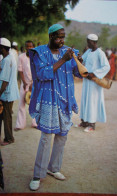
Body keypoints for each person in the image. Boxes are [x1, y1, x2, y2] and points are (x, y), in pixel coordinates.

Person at [28, 24, 82, 191]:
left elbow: (79, 73)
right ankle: (38, 175)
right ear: (50, 36)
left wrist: (79, 62)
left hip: (65, 99)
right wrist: (63, 60)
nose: (62, 40)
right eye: (59, 37)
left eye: (63, 37)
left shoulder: (68, 52)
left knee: (62, 136)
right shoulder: (39, 53)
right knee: (46, 137)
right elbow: (42, 74)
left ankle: (54, 168)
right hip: (48, 99)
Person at [78, 34, 110, 132]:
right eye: (87, 41)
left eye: (89, 42)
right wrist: (79, 59)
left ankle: (92, 124)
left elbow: (106, 66)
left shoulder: (100, 53)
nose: (87, 43)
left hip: (94, 82)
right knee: (85, 100)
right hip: (86, 80)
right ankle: (84, 122)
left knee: (92, 101)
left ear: (94, 42)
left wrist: (94, 74)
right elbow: (82, 60)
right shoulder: (88, 51)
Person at [0, 38, 19, 146]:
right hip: (10, 93)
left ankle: (9, 139)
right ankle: (8, 137)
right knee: (6, 116)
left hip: (6, 93)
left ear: (2, 48)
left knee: (6, 117)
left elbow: (5, 81)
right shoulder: (10, 57)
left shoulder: (7, 60)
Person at [14, 40, 37, 131]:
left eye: (30, 46)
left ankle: (35, 123)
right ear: (25, 47)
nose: (29, 48)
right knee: (21, 104)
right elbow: (20, 71)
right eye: (27, 46)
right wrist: (24, 83)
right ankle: (20, 125)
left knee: (35, 103)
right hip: (24, 84)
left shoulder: (36, 57)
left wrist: (32, 84)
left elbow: (37, 71)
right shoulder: (21, 57)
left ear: (33, 47)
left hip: (34, 84)